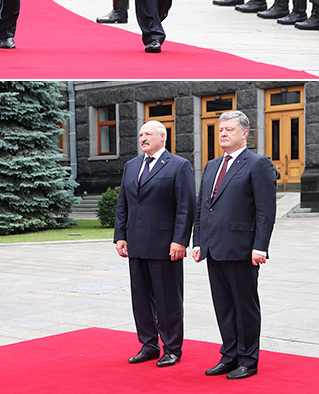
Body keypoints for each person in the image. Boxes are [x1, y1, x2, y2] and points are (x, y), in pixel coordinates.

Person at [193, 110, 277, 380]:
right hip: (214, 248)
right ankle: (229, 355)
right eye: (220, 130)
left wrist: (260, 246)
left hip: (242, 249)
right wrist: (198, 241)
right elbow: (202, 207)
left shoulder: (257, 164)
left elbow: (265, 210)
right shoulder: (211, 166)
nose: (223, 134)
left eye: (229, 129)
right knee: (224, 306)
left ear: (245, 134)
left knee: (245, 307)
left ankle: (248, 360)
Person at [114, 118, 196, 366]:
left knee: (167, 298)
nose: (143, 139)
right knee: (140, 298)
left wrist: (180, 240)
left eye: (148, 134)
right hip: (136, 244)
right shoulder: (131, 166)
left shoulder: (178, 166)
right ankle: (148, 344)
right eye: (140, 135)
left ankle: (172, 348)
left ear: (163, 137)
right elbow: (123, 203)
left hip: (164, 245)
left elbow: (186, 207)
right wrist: (120, 235)